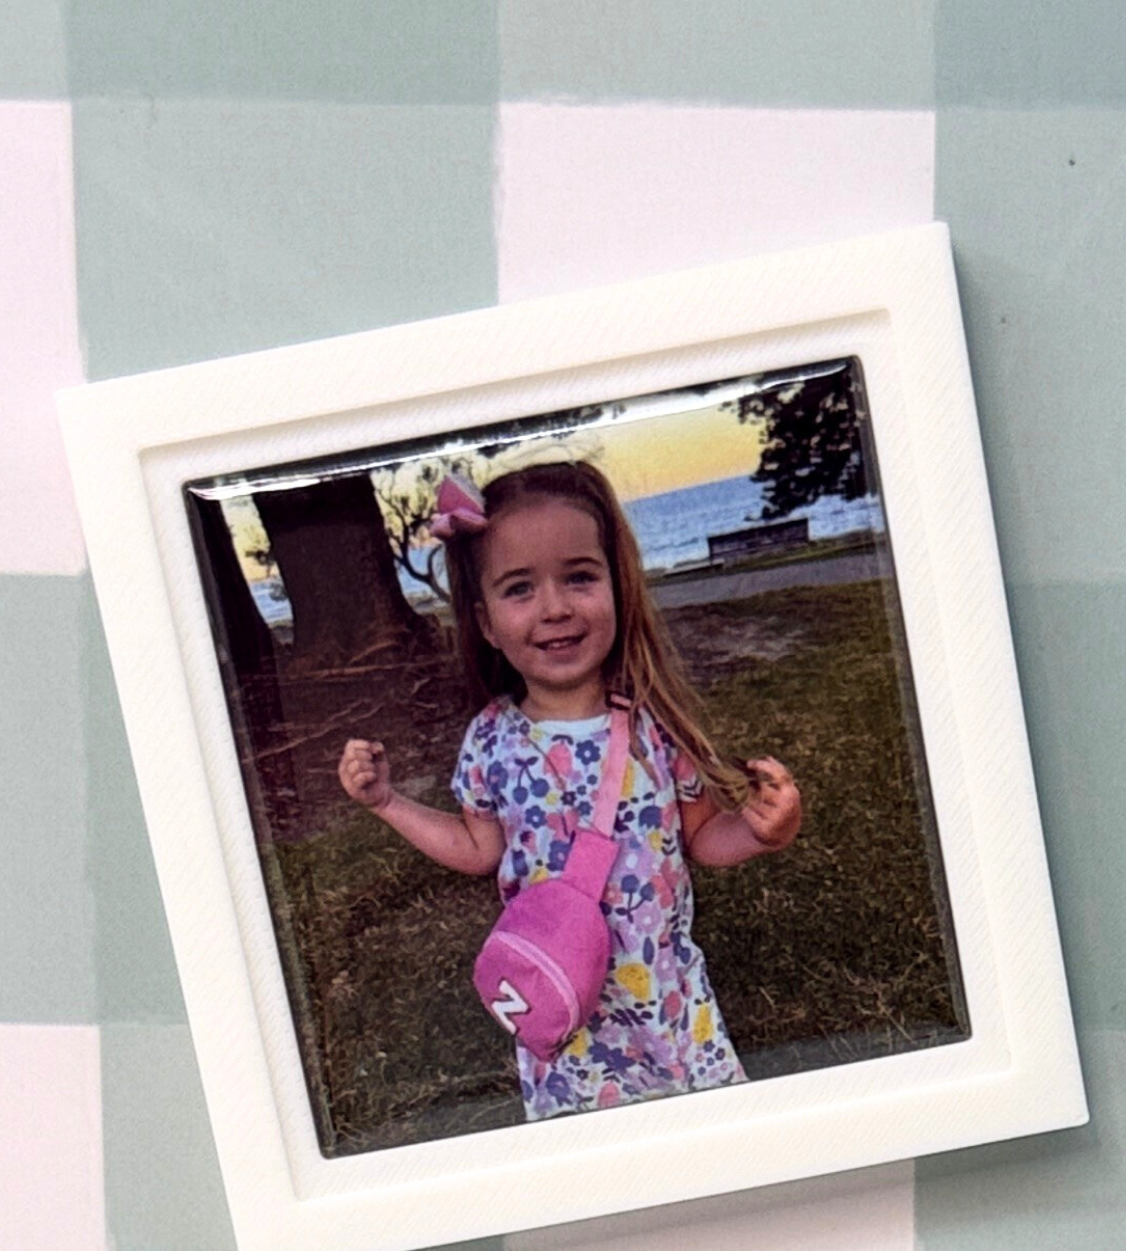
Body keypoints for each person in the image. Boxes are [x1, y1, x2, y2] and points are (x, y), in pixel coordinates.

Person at [337, 459, 802, 1121]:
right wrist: (387, 801)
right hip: (565, 1017)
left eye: (578, 577)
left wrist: (760, 830)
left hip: (668, 1004)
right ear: (487, 622)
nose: (554, 607)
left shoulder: (654, 724)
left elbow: (702, 835)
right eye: (519, 588)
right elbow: (476, 848)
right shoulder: (490, 740)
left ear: (618, 586)